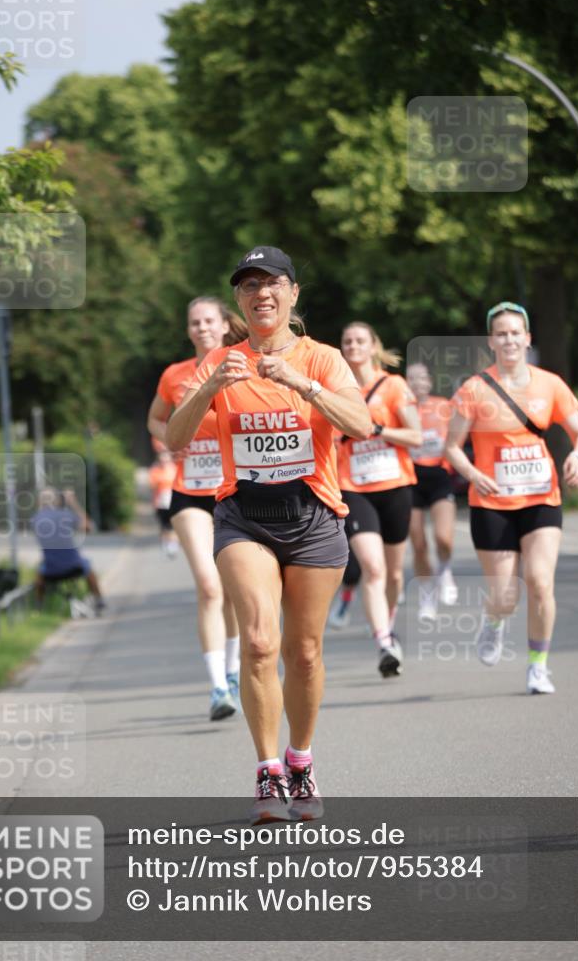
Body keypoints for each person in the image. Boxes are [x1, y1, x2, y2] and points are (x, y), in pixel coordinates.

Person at [166, 246, 372, 823]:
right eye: (249, 284)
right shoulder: (221, 362)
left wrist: (304, 385)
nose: (261, 292)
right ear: (239, 299)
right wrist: (207, 391)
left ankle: (301, 761)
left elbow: (362, 424)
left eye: (272, 282)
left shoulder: (324, 359)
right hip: (244, 515)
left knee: (304, 653)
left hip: (313, 516)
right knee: (259, 642)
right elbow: (176, 440)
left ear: (292, 293)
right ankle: (266, 772)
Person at [444, 302, 578, 695]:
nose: (509, 339)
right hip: (492, 503)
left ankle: (537, 666)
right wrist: (475, 474)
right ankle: (494, 622)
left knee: (541, 582)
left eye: (516, 333)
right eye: (502, 334)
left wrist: (577, 457)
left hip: (542, 498)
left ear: (527, 339)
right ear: (492, 341)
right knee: (505, 596)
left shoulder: (550, 384)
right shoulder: (474, 389)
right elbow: (452, 448)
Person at [148, 297, 247, 722]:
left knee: (235, 588)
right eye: (194, 322)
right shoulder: (175, 375)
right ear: (188, 330)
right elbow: (156, 419)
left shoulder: (244, 364)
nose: (202, 327)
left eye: (209, 320)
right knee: (209, 586)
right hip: (190, 490)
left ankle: (234, 669)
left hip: (237, 490)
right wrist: (172, 438)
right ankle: (217, 687)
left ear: (225, 325)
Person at [336, 323, 422, 677]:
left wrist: (379, 430)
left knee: (394, 575)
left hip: (395, 486)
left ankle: (387, 625)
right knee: (373, 568)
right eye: (347, 341)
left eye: (360, 340)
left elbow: (416, 436)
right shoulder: (334, 389)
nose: (353, 346)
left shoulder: (394, 386)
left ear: (373, 346)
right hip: (353, 488)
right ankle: (384, 642)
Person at [406, 362, 458, 622]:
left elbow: (457, 438)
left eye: (422, 378)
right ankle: (427, 596)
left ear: (429, 381)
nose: (418, 383)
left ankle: (445, 570)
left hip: (439, 476)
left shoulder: (443, 406)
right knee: (418, 543)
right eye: (412, 379)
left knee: (443, 538)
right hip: (411, 477)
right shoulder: (401, 409)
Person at [32, 487, 105, 614]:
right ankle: (99, 599)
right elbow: (89, 527)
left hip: (50, 569)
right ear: (56, 501)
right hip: (74, 566)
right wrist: (73, 502)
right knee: (88, 568)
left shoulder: (35, 519)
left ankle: (39, 607)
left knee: (39, 573)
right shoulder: (66, 515)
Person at [149, 440, 179, 559]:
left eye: (166, 457)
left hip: (173, 501)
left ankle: (173, 544)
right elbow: (152, 485)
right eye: (162, 457)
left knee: (173, 525)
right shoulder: (155, 470)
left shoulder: (175, 468)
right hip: (160, 503)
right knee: (164, 526)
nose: (164, 459)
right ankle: (166, 542)